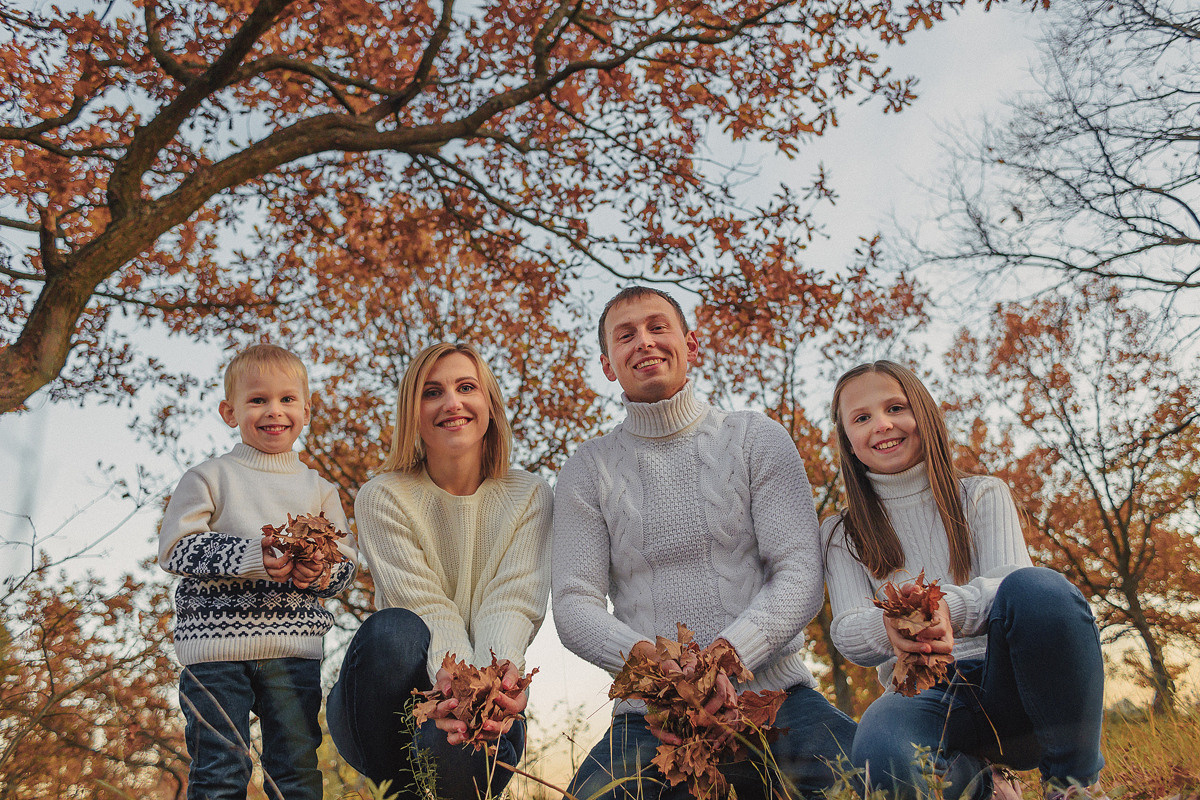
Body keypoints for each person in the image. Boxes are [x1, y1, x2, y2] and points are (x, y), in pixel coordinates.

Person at [552, 286, 857, 800]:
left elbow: (800, 573)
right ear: (608, 365)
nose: (644, 342)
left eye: (657, 327)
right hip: (650, 717)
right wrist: (658, 672)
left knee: (877, 781)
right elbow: (573, 604)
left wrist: (726, 657)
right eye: (625, 336)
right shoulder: (588, 468)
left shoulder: (757, 438)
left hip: (777, 698)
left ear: (690, 346)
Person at [823, 360, 1105, 800]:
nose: (882, 424)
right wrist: (889, 627)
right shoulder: (841, 532)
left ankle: (1072, 785)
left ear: (925, 416)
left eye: (896, 407)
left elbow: (1012, 584)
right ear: (848, 441)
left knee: (1041, 588)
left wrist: (947, 609)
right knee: (878, 740)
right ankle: (982, 784)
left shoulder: (982, 495)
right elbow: (845, 629)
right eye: (861, 417)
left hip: (1012, 688)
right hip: (924, 699)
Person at [327, 342, 552, 800]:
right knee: (392, 629)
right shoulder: (383, 496)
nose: (452, 403)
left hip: (478, 697)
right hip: (388, 697)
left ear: (489, 403)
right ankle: (397, 792)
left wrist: (491, 692)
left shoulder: (531, 496)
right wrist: (454, 686)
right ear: (413, 413)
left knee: (462, 748)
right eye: (432, 392)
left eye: (466, 387)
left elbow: (512, 601)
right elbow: (425, 604)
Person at [158, 343, 358, 800]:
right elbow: (176, 549)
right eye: (257, 400)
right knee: (221, 768)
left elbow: (345, 564)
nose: (274, 411)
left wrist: (315, 573)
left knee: (295, 770)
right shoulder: (209, 477)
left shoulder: (318, 489)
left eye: (287, 399)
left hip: (293, 650)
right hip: (213, 650)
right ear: (230, 412)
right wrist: (253, 556)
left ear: (306, 411)